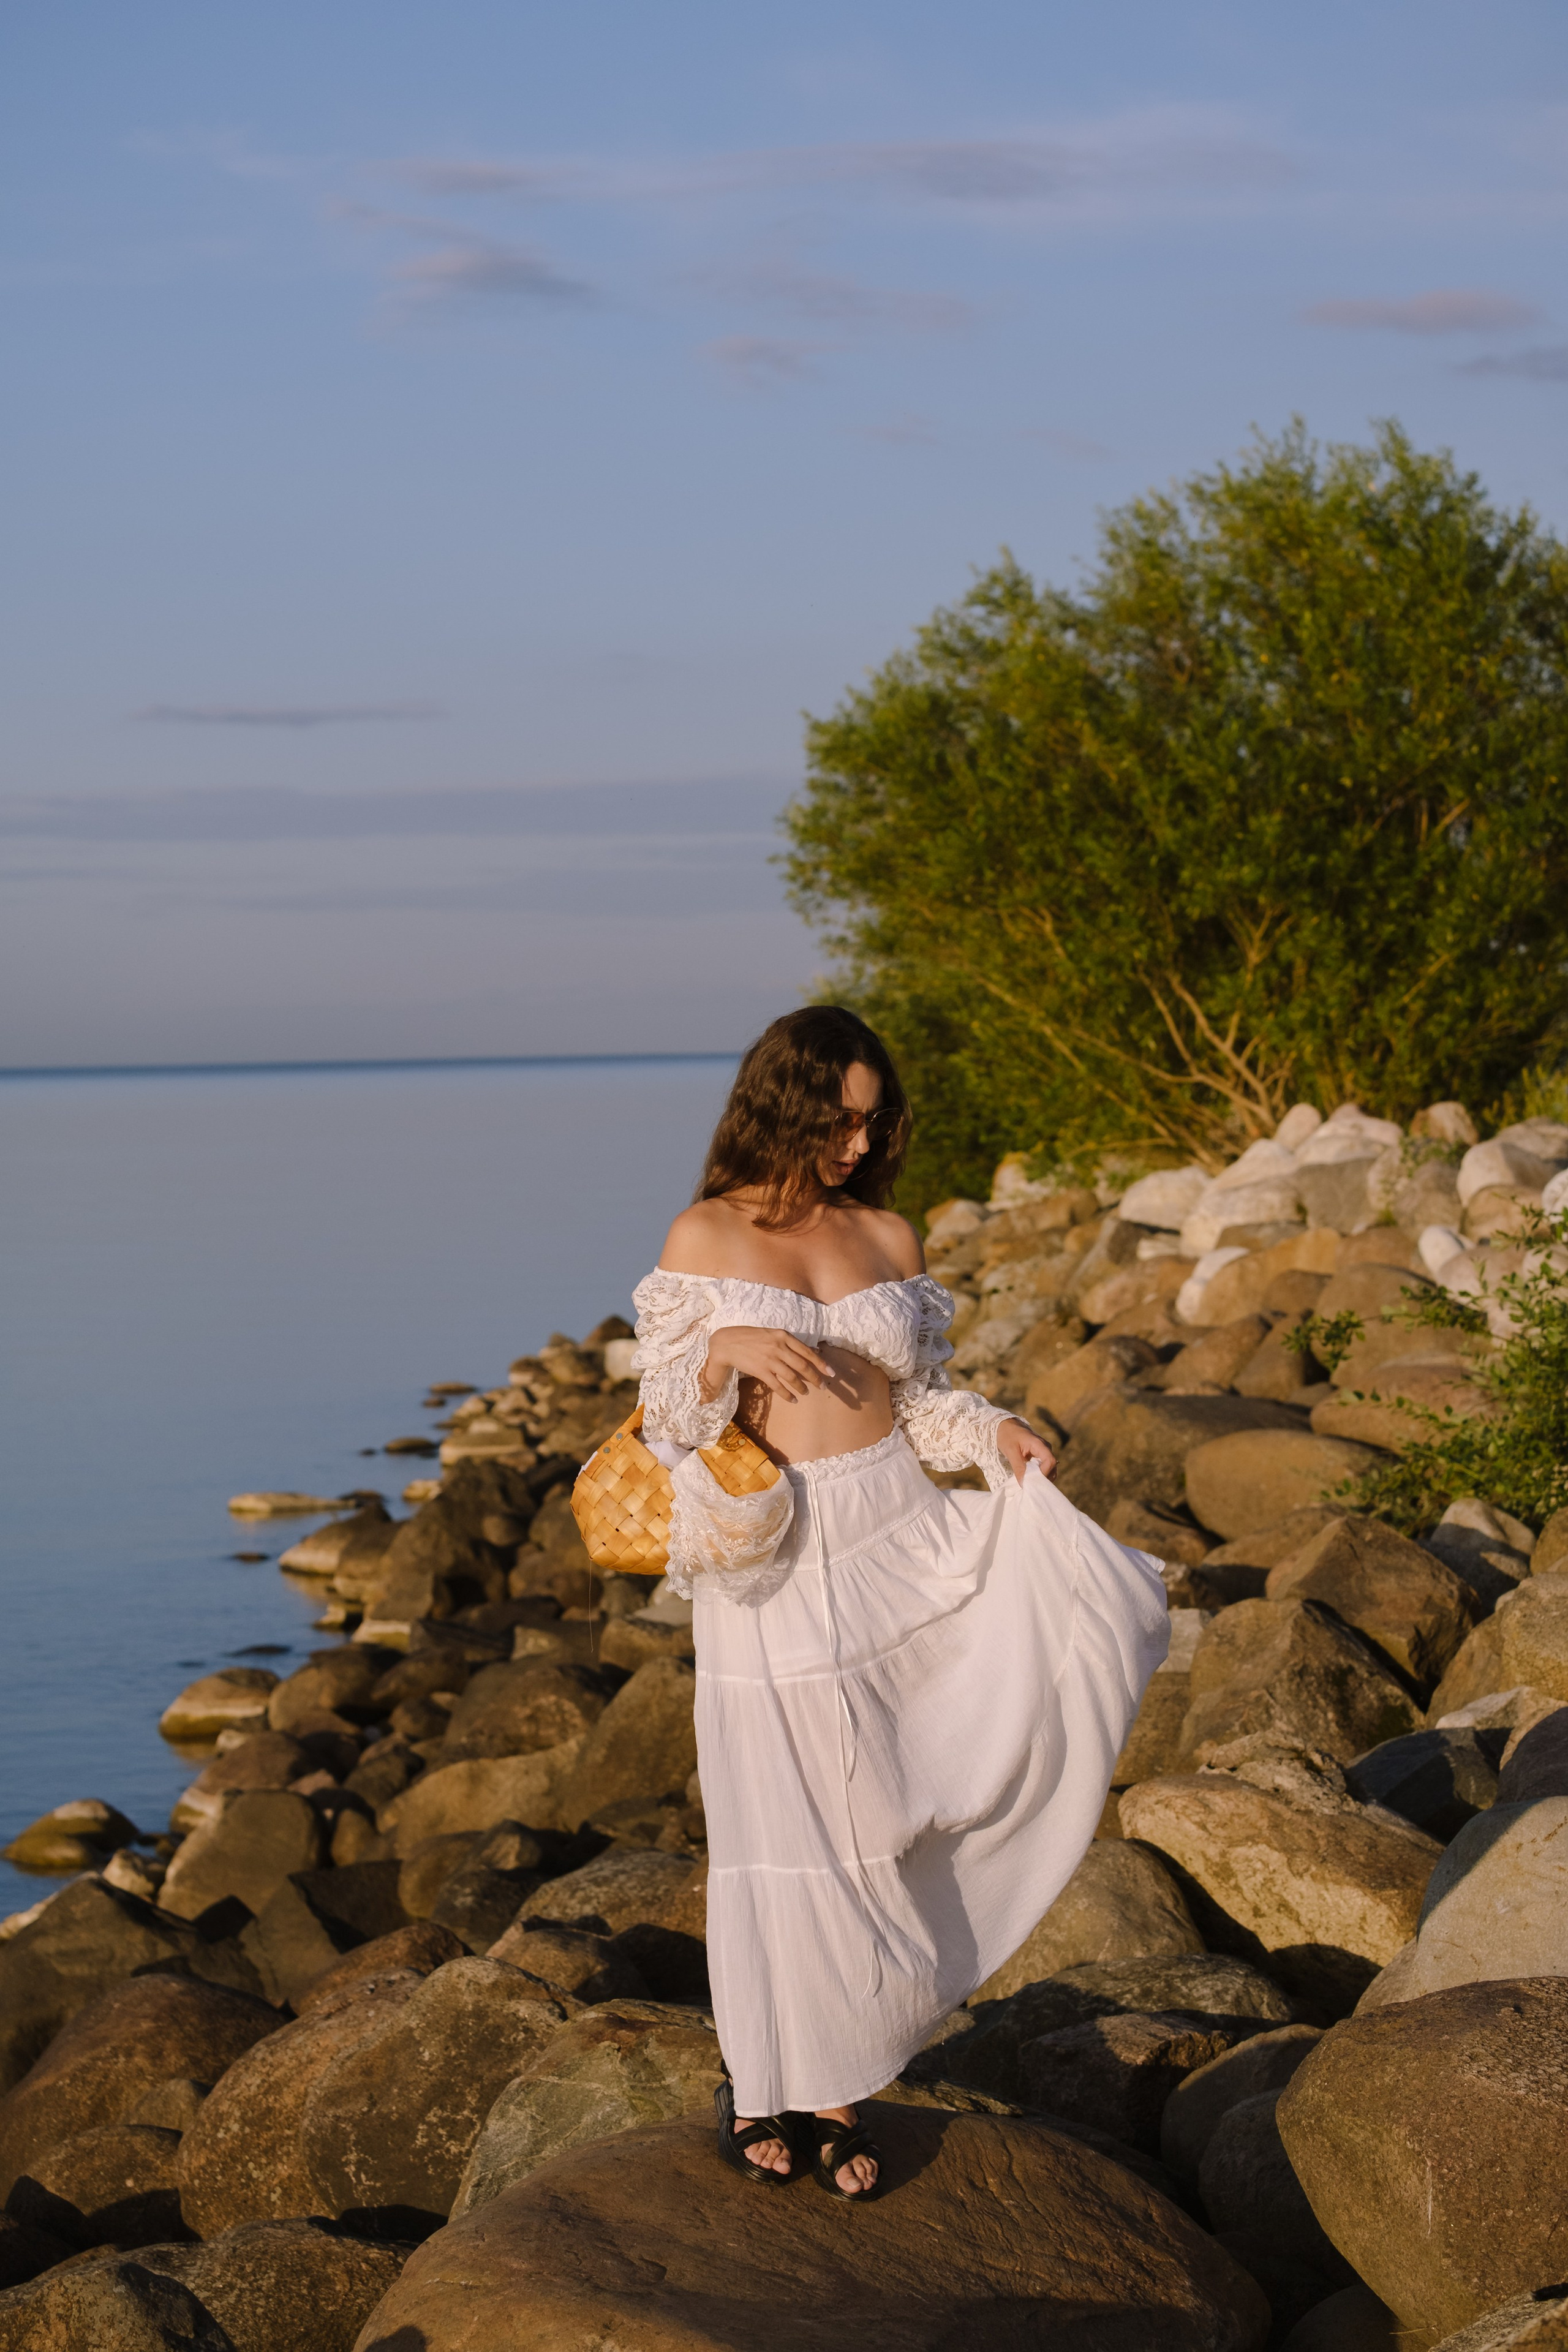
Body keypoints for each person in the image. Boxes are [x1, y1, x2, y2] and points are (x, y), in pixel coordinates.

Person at [631, 1006, 1168, 2200]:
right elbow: (666, 1419)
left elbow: (917, 1400)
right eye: (837, 1118)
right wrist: (721, 1351)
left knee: (881, 1815)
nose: (858, 1143)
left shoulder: (887, 1231)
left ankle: (838, 2091)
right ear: (782, 1104)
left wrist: (992, 1432)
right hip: (772, 1558)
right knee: (781, 1833)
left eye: (874, 1121)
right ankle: (761, 2087)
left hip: (894, 1528)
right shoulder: (705, 1231)